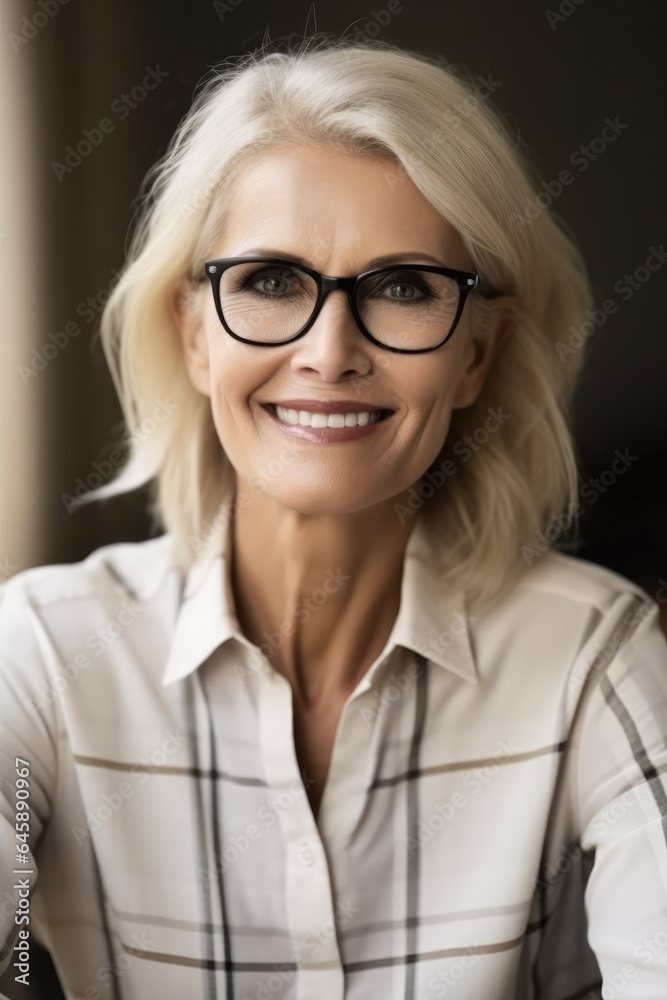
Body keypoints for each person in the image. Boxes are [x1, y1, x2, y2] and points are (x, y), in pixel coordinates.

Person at [1, 34, 666, 1000]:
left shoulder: (597, 659)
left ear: (476, 354)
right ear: (193, 333)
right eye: (270, 281)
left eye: (403, 288)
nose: (329, 351)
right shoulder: (43, 653)